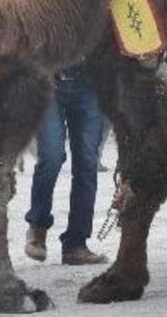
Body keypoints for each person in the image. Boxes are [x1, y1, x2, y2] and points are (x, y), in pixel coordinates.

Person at [24, 65, 108, 266]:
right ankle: (37, 226)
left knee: (87, 163)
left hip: (90, 82)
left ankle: (76, 244)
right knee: (51, 156)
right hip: (48, 80)